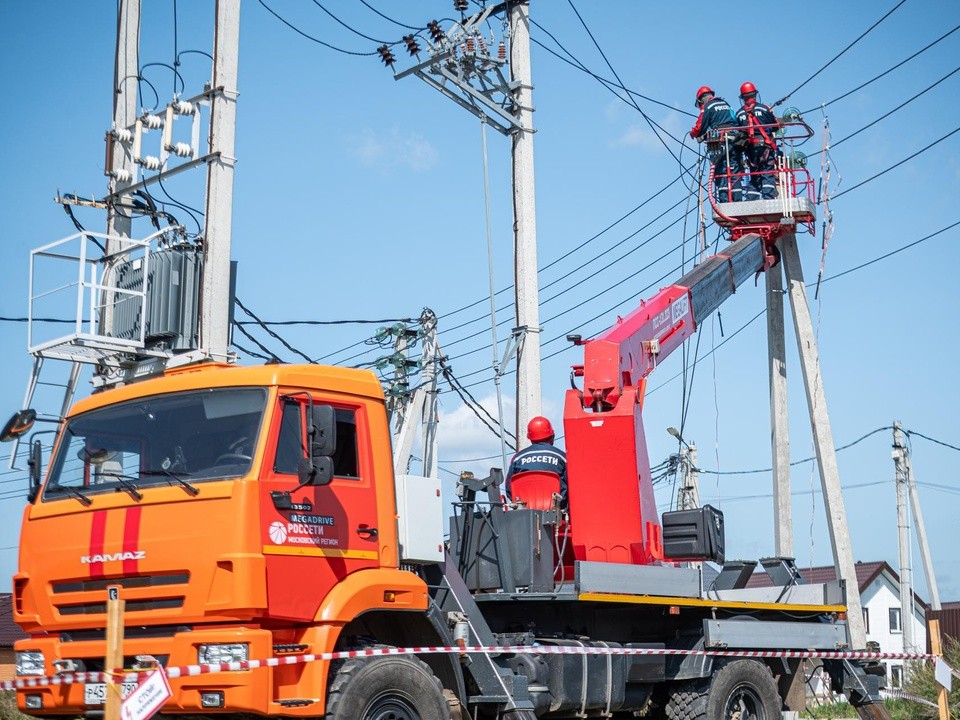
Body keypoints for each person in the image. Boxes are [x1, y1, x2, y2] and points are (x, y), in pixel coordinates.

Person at [689, 85, 742, 203]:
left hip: (720, 141)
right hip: (734, 138)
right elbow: (735, 120)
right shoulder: (726, 104)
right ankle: (737, 199)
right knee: (734, 168)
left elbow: (700, 126)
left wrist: (693, 134)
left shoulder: (708, 106)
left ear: (701, 99)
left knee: (720, 169)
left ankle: (724, 200)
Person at [504, 416, 567, 502]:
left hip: (524, 511)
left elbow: (509, 489)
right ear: (552, 436)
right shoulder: (562, 457)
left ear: (530, 439)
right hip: (555, 511)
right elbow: (572, 488)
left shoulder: (517, 458)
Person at [736, 81, 780, 200]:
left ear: (743, 98)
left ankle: (752, 199)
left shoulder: (739, 113)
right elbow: (775, 126)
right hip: (765, 146)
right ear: (755, 95)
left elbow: (739, 131)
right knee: (766, 172)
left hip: (750, 149)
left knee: (754, 174)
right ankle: (769, 198)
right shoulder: (764, 109)